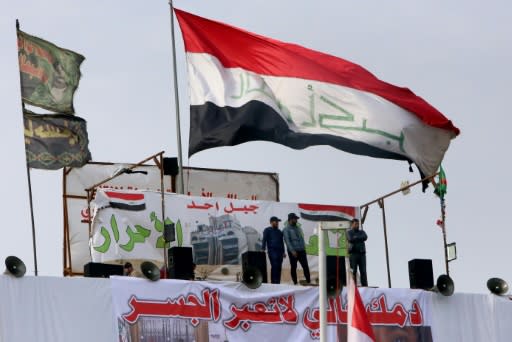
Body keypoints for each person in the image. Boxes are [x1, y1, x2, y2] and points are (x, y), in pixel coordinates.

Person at [283, 213, 310, 285]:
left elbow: (301, 238)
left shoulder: (298, 228)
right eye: (295, 219)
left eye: (296, 219)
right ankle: (295, 282)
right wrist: (292, 251)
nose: (296, 220)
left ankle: (308, 281)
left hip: (301, 250)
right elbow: (287, 241)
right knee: (294, 267)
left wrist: (303, 248)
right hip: (293, 252)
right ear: (291, 219)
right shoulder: (286, 229)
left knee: (305, 266)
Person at [262, 216, 286, 284]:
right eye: (276, 221)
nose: (277, 223)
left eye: (278, 222)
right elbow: (264, 240)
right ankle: (274, 283)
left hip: (280, 252)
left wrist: (283, 252)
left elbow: (282, 242)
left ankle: (277, 283)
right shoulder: (267, 230)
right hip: (272, 251)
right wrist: (263, 249)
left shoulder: (279, 232)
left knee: (279, 267)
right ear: (271, 222)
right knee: (275, 266)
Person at [346, 218, 368, 286]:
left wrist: (356, 237)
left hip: (362, 254)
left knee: (363, 271)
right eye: (355, 224)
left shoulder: (362, 232)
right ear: (352, 225)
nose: (357, 225)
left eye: (358, 224)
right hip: (353, 254)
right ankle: (353, 286)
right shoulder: (349, 232)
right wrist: (359, 238)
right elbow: (350, 239)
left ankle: (365, 285)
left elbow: (365, 237)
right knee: (354, 271)